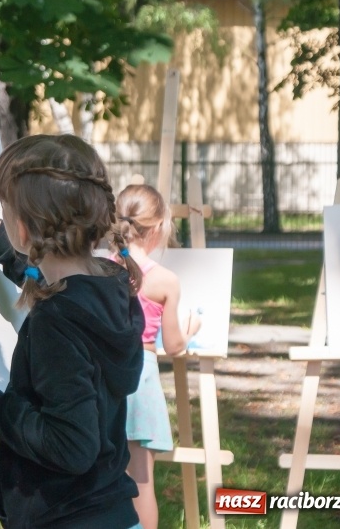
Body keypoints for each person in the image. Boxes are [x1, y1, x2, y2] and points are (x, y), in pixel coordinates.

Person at [0, 134, 146, 529]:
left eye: (3, 208)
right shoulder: (112, 286)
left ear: (25, 229)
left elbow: (71, 446)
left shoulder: (56, 321)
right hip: (111, 514)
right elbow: (45, 280)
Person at [113, 184, 201, 529]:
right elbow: (175, 345)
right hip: (141, 376)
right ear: (160, 226)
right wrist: (191, 330)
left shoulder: (99, 268)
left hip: (101, 377)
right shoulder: (164, 279)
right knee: (141, 480)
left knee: (106, 476)